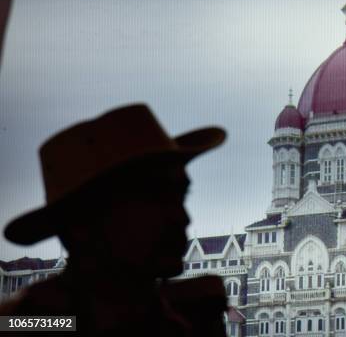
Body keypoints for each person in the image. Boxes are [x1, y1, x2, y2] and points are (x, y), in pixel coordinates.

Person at [1, 104, 228, 336]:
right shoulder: (31, 321)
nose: (182, 218)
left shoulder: (189, 316)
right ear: (82, 223)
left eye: (180, 197)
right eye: (154, 200)